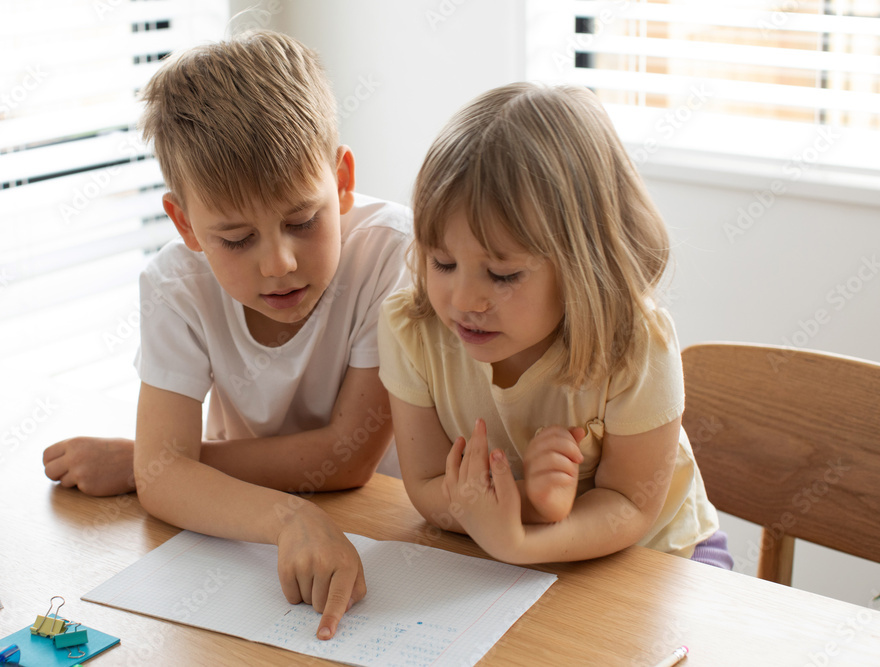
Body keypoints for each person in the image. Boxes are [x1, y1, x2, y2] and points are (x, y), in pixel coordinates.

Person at [43, 31, 412, 639]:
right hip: (251, 524)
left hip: (386, 525)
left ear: (342, 181)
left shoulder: (393, 253)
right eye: (236, 240)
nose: (279, 264)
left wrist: (149, 463)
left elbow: (346, 458)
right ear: (185, 224)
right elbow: (165, 482)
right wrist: (284, 515)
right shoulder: (173, 283)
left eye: (302, 221)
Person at [378, 82, 732, 569]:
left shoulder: (637, 345)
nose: (462, 300)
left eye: (502, 275)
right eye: (441, 263)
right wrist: (531, 503)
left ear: (583, 263)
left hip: (660, 558)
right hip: (514, 557)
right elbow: (425, 487)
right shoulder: (410, 329)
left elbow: (630, 505)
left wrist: (520, 543)